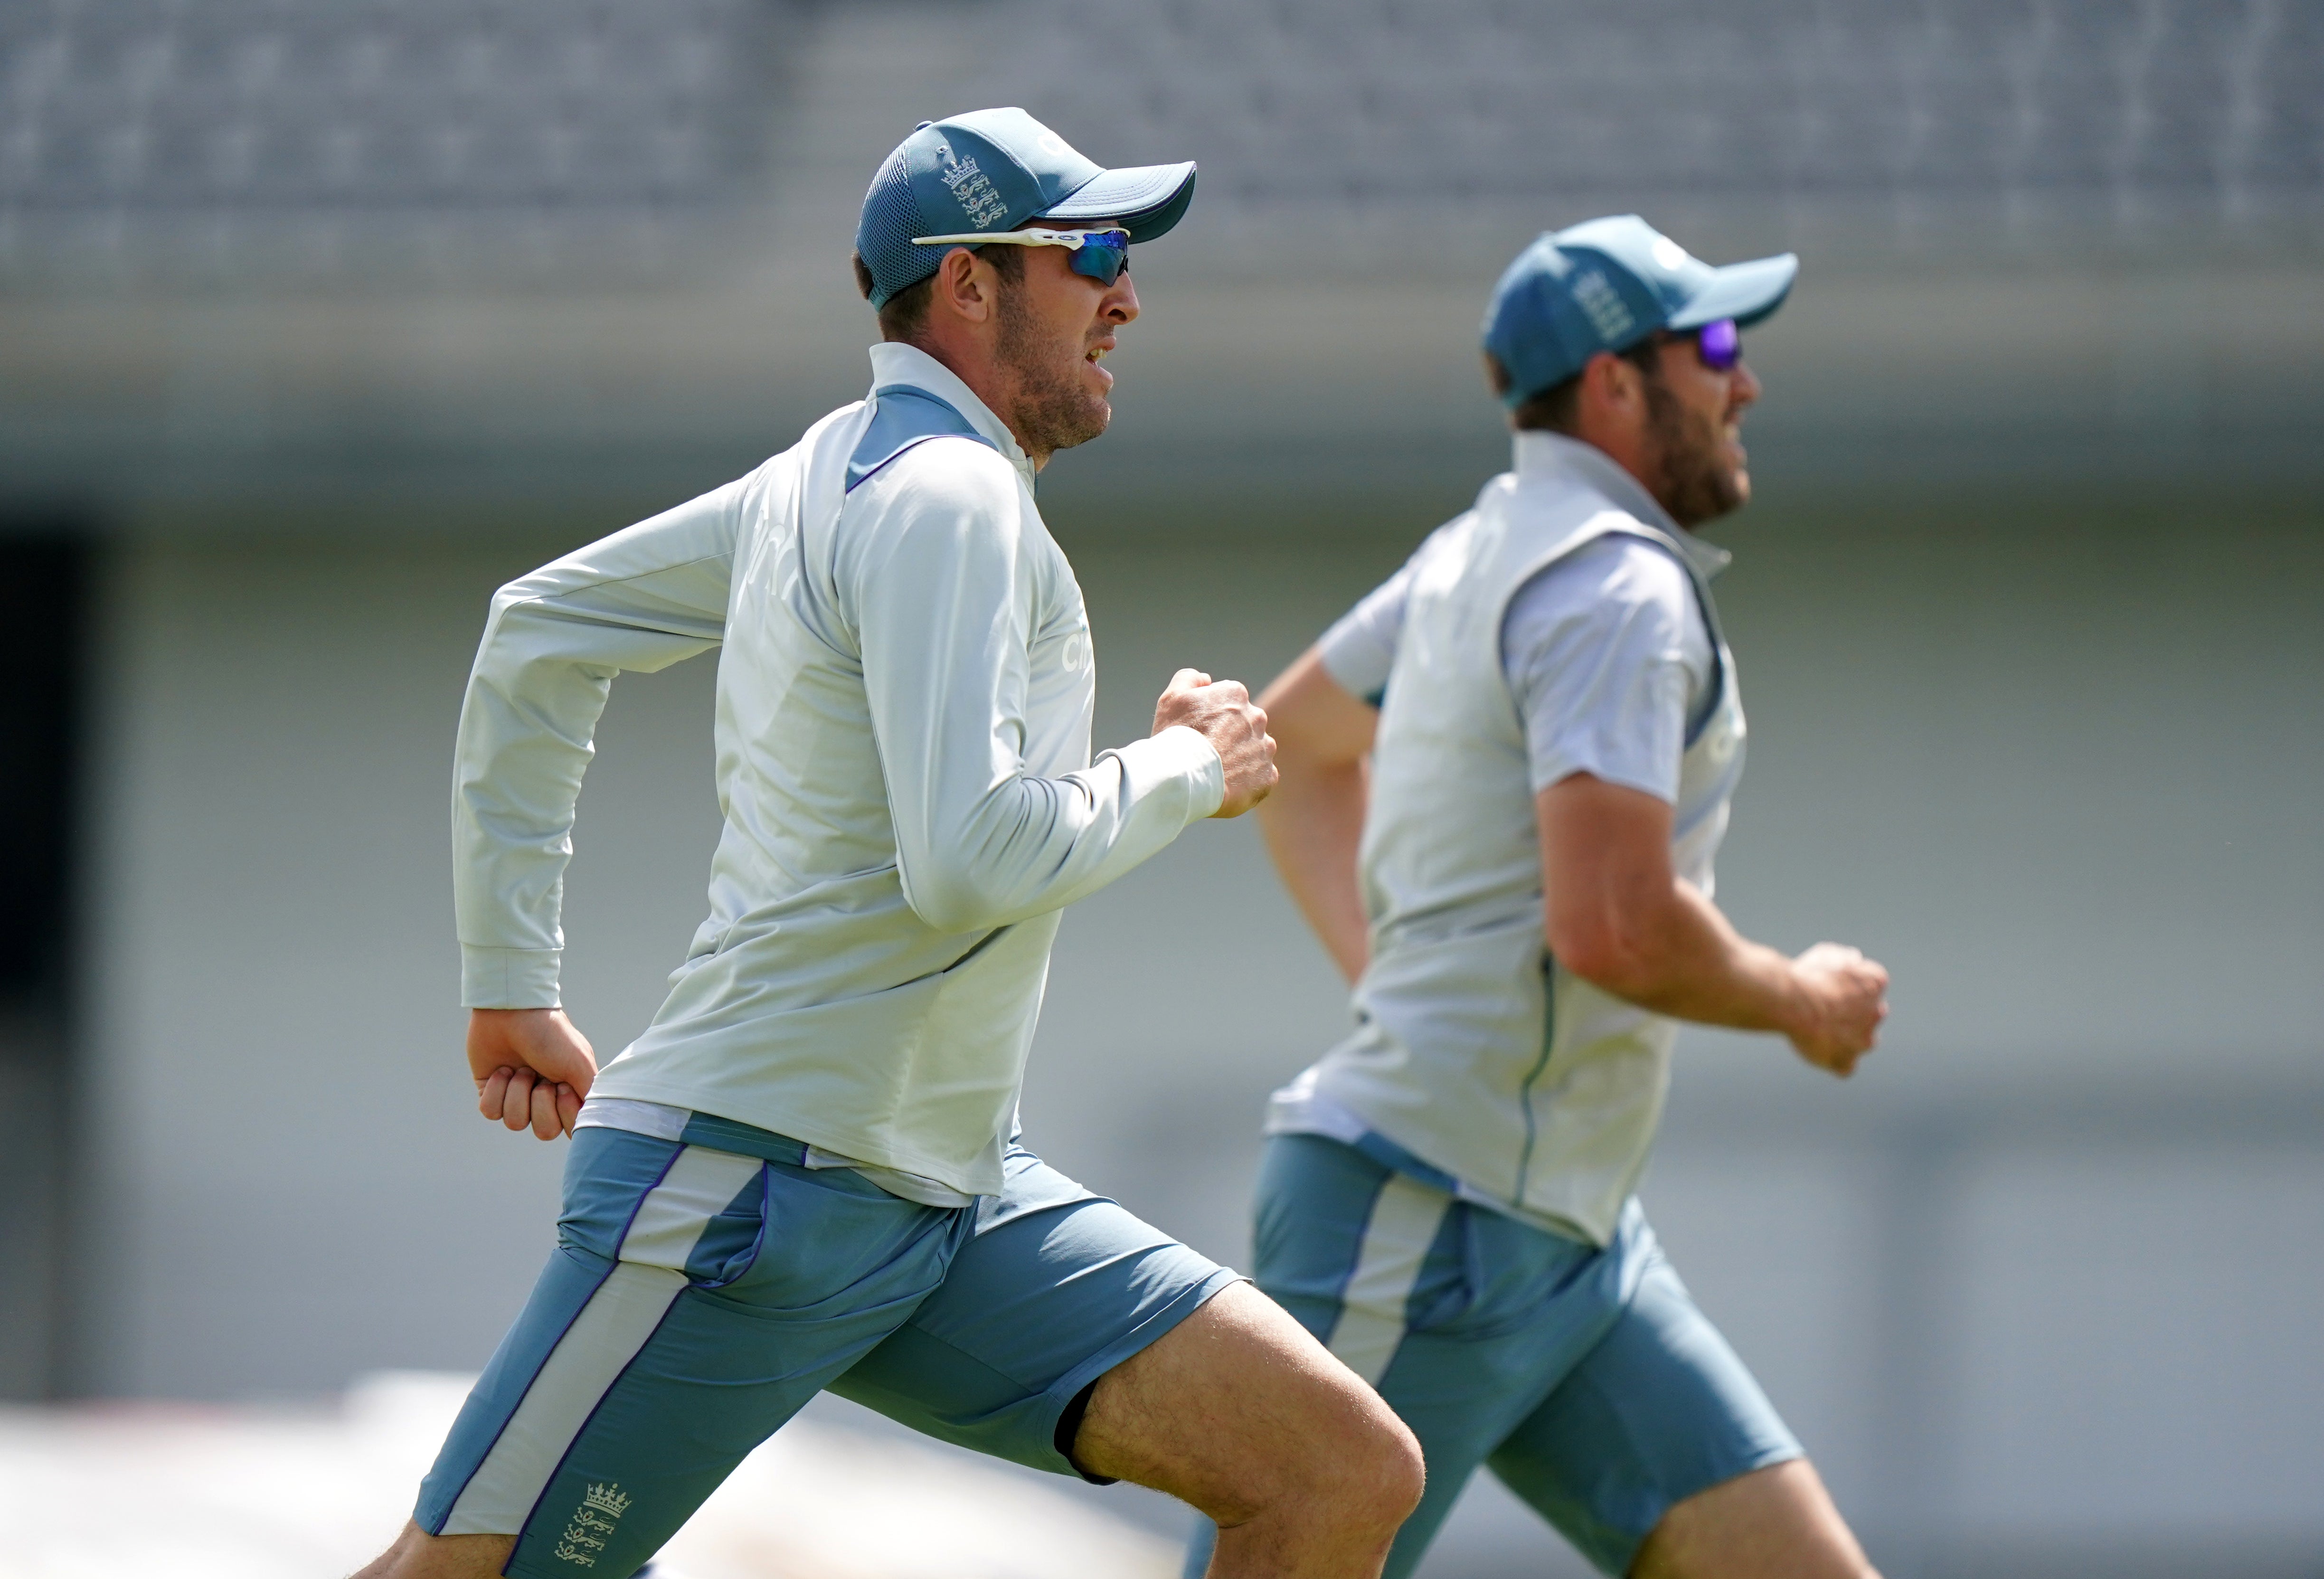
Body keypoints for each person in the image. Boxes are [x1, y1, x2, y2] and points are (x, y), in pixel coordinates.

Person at [358, 108, 1422, 1579]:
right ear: (968, 286)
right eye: (1093, 252)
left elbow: (539, 633)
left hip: (941, 1198)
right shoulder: (948, 494)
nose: (1129, 294)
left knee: (1337, 1469)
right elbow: (972, 857)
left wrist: (509, 983)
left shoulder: (836, 472)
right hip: (754, 1192)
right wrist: (1186, 766)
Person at [1205, 216, 1891, 1579]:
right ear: (1613, 386)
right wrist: (1801, 997)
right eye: (1708, 343)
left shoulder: (1484, 545)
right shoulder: (1615, 589)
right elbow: (1617, 926)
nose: (1742, 377)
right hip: (1425, 1220)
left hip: (1567, 1242)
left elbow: (1289, 757)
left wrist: (1391, 982)